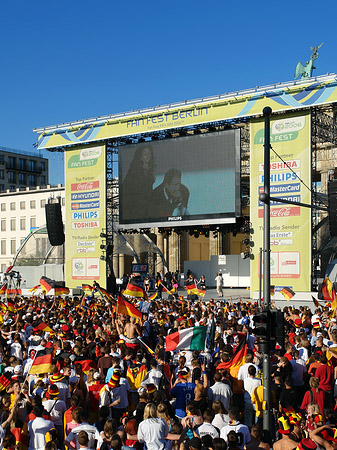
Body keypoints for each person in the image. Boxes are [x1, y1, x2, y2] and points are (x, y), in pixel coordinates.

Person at [121, 145, 155, 221]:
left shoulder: (150, 169)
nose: (147, 156)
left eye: (149, 153)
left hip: (146, 203)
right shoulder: (135, 169)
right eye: (145, 153)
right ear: (140, 155)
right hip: (135, 205)